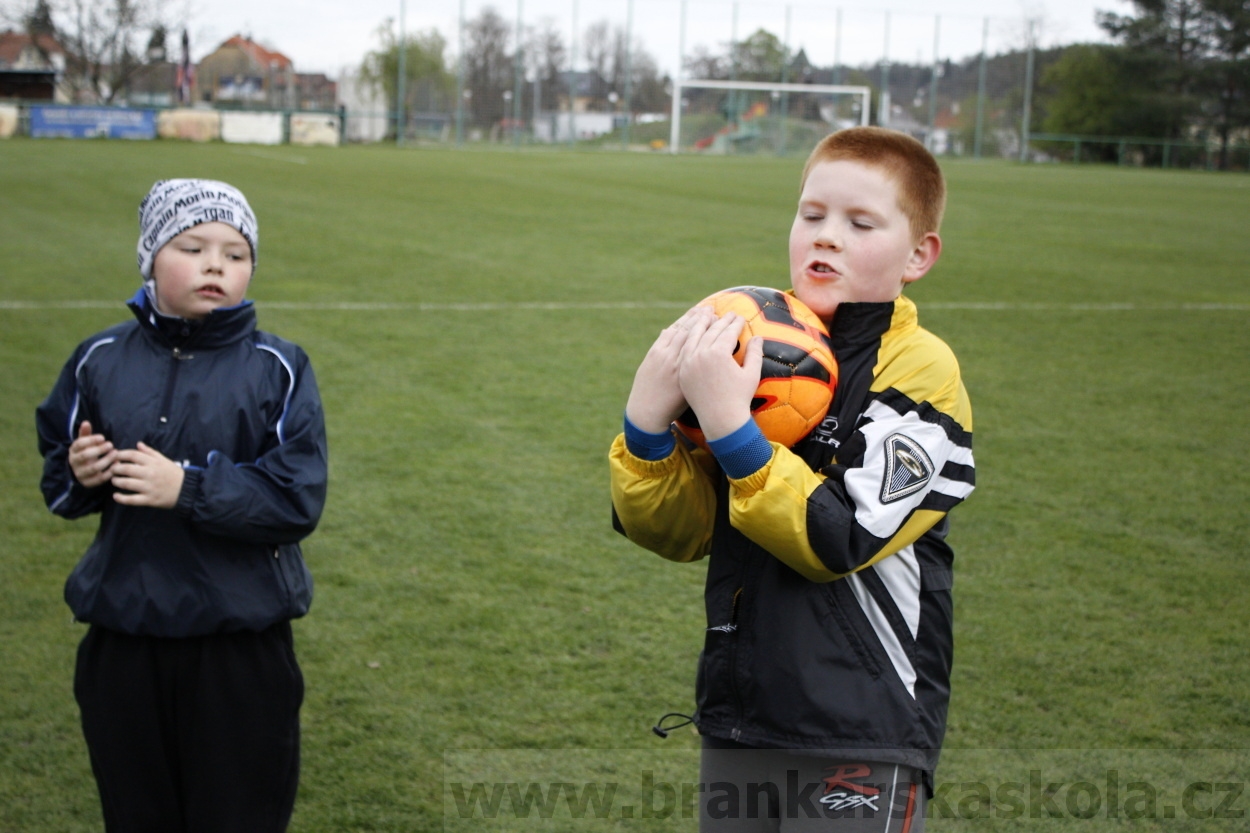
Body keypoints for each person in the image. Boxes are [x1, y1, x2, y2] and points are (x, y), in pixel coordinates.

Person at [609, 127, 975, 832]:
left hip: (861, 728)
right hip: (743, 714)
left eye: (860, 222)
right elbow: (676, 532)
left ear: (918, 255)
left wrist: (732, 429)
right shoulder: (750, 336)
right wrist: (646, 426)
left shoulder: (924, 371)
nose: (826, 237)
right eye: (811, 215)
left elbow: (837, 535)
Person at [35, 179, 328, 833]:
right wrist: (82, 473)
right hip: (125, 638)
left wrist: (187, 487)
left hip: (239, 647)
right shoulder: (98, 360)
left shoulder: (278, 368)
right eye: (193, 246)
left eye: (235, 252)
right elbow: (57, 478)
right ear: (149, 255)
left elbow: (295, 497)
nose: (216, 264)